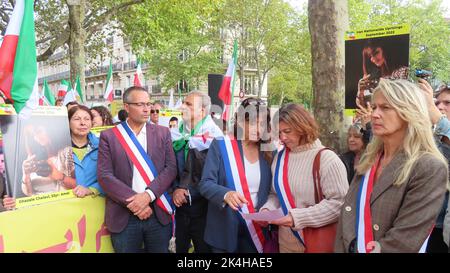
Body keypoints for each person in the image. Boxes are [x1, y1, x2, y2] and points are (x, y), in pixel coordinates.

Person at [335, 79, 448, 253]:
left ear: (409, 112)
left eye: (385, 107)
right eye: (374, 107)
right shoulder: (371, 157)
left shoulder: (429, 166)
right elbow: (349, 212)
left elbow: (406, 237)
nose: (374, 114)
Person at [259, 103, 348, 253]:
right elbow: (275, 194)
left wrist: (297, 217)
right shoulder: (279, 158)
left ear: (303, 127)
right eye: (279, 132)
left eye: (287, 131)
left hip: (318, 243)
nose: (282, 138)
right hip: (286, 243)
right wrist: (267, 209)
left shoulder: (327, 159)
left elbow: (339, 203)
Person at [97, 86, 177, 253]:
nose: (147, 109)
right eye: (140, 104)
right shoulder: (109, 136)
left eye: (148, 104)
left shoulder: (163, 133)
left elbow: (170, 168)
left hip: (157, 213)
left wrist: (147, 196)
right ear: (126, 107)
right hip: (124, 215)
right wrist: (136, 202)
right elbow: (105, 176)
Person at [198, 98, 272, 253]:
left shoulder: (270, 151)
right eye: (252, 122)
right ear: (239, 121)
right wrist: (225, 194)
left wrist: (267, 210)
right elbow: (205, 184)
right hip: (224, 229)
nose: (258, 129)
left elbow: (274, 191)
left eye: (262, 124)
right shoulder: (221, 145)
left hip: (257, 230)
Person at [2, 105, 105, 210]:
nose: (82, 123)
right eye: (77, 119)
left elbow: (110, 177)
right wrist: (15, 196)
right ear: (68, 123)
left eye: (87, 119)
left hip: (93, 209)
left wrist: (91, 189)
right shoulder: (34, 161)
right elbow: (28, 195)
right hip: (52, 215)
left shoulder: (102, 145)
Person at [171, 91, 223, 253]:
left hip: (204, 208)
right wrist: (175, 190)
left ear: (202, 111)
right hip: (180, 206)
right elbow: (170, 166)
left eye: (188, 104)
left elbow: (212, 174)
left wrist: (186, 190)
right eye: (183, 103)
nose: (182, 107)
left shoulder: (214, 136)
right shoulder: (177, 133)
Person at [417, 80, 450, 253]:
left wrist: (435, 114)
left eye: (447, 103)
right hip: (424, 224)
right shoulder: (430, 135)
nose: (441, 106)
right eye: (437, 102)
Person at [357, 39, 408, 106]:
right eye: (370, 56)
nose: (373, 59)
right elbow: (364, 107)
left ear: (386, 50)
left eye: (376, 53)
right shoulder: (375, 78)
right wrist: (360, 92)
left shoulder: (403, 71)